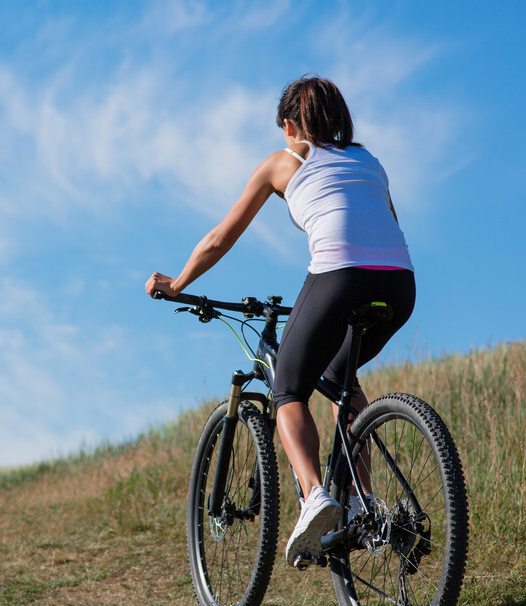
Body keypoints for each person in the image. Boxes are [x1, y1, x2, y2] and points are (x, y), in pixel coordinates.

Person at [145, 75, 415, 567]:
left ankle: (315, 496)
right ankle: (363, 503)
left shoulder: (283, 162)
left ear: (291, 125)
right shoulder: (369, 161)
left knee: (288, 388)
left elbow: (219, 239)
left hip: (339, 274)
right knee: (338, 379)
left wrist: (178, 282)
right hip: (400, 284)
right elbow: (386, 224)